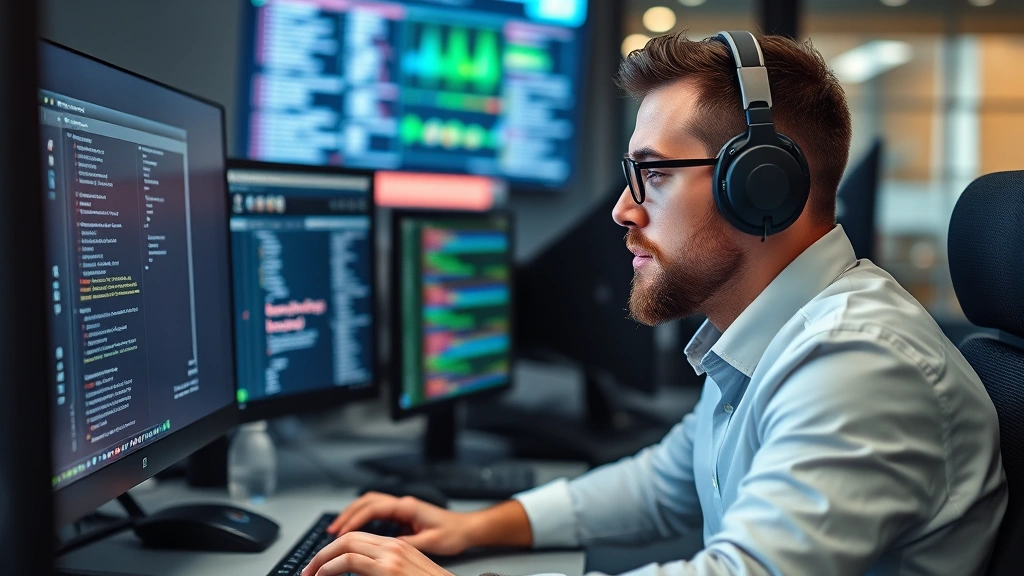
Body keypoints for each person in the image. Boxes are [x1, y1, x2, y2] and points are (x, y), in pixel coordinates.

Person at [301, 31, 1007, 576]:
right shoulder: (777, 335)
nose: (621, 210)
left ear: (761, 186)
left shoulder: (859, 361)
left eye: (655, 175)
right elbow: (666, 482)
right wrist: (472, 528)